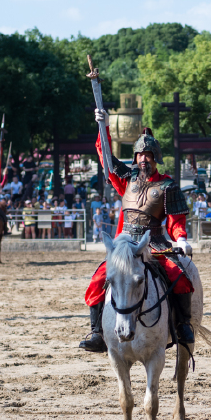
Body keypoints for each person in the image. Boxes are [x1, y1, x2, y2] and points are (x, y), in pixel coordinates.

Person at [79, 117, 194, 354]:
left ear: (155, 157)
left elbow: (175, 221)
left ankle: (182, 327)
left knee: (179, 276)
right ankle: (98, 333)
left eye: (147, 155)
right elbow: (107, 159)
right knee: (99, 279)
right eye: (140, 155)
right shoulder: (127, 180)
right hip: (125, 243)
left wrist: (181, 238)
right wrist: (104, 126)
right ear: (135, 158)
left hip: (155, 243)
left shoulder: (167, 186)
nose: (143, 159)